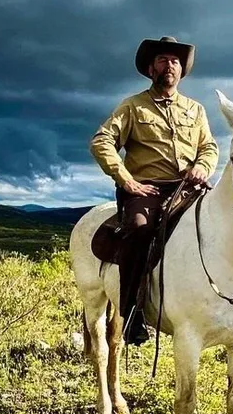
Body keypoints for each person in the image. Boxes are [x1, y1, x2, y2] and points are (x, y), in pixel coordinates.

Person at [89, 36, 219, 344]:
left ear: (181, 70)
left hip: (188, 189)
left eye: (175, 61)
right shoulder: (132, 107)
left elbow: (209, 146)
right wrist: (124, 178)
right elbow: (102, 141)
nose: (169, 65)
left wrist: (203, 166)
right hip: (146, 190)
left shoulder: (195, 110)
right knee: (139, 228)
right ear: (151, 68)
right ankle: (132, 313)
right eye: (162, 60)